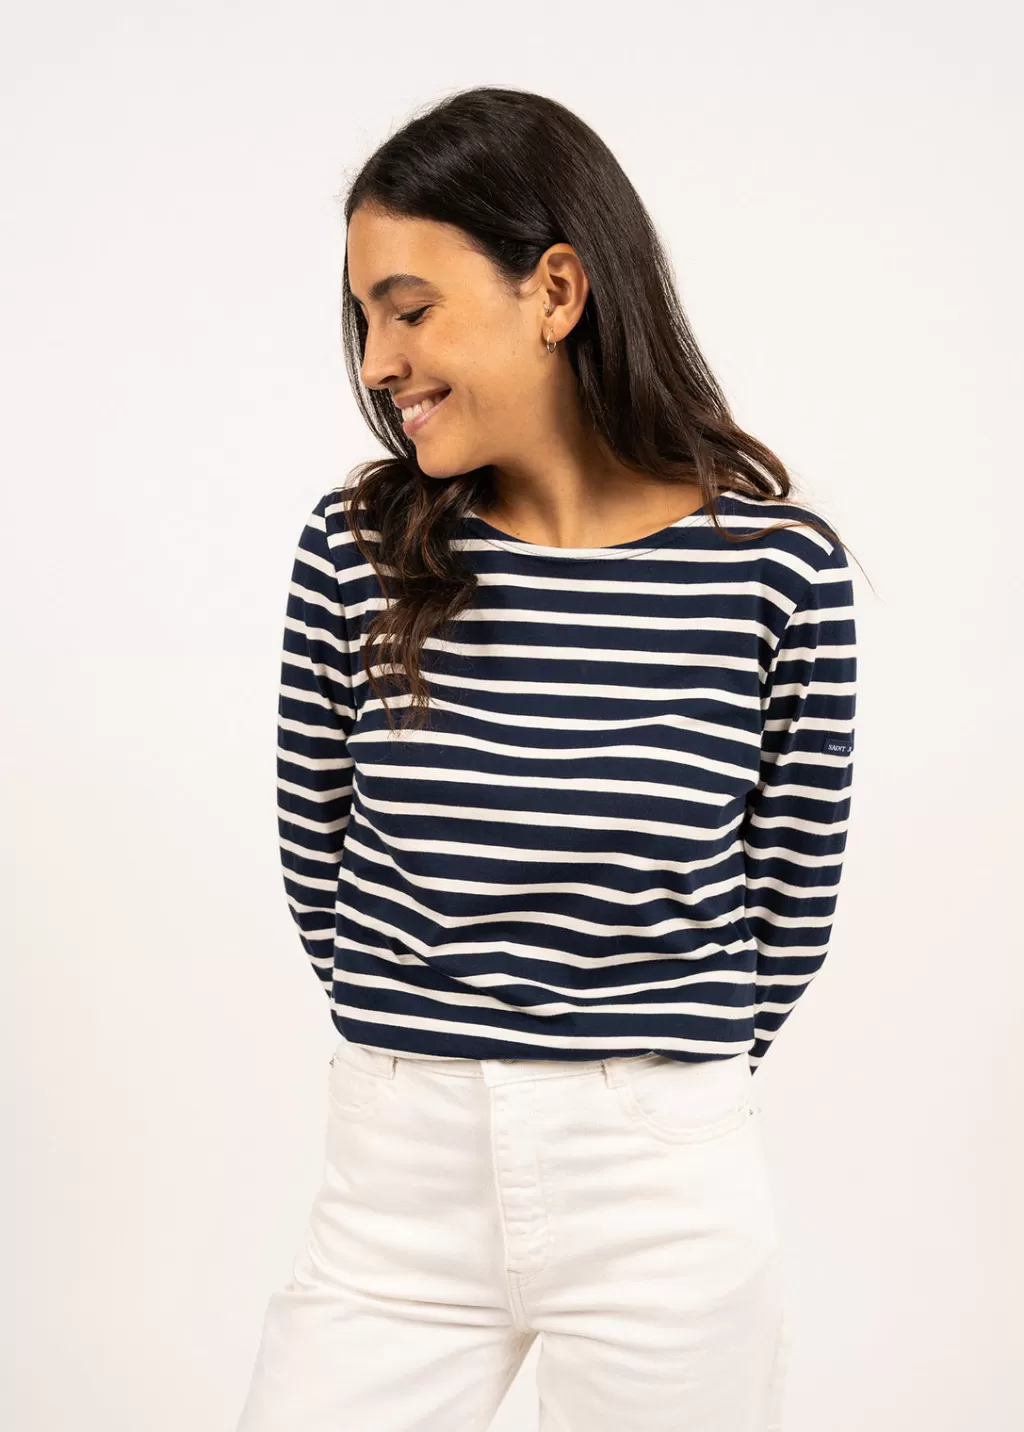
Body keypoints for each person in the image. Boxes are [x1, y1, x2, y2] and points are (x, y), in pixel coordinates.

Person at [236, 85, 857, 1432]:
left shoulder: (775, 570)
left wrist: (650, 1083)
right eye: (363, 322)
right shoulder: (355, 552)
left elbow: (790, 898)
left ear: (557, 291)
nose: (379, 361)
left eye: (410, 309)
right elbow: (316, 853)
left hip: (663, 1192)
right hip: (397, 1180)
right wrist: (430, 1047)